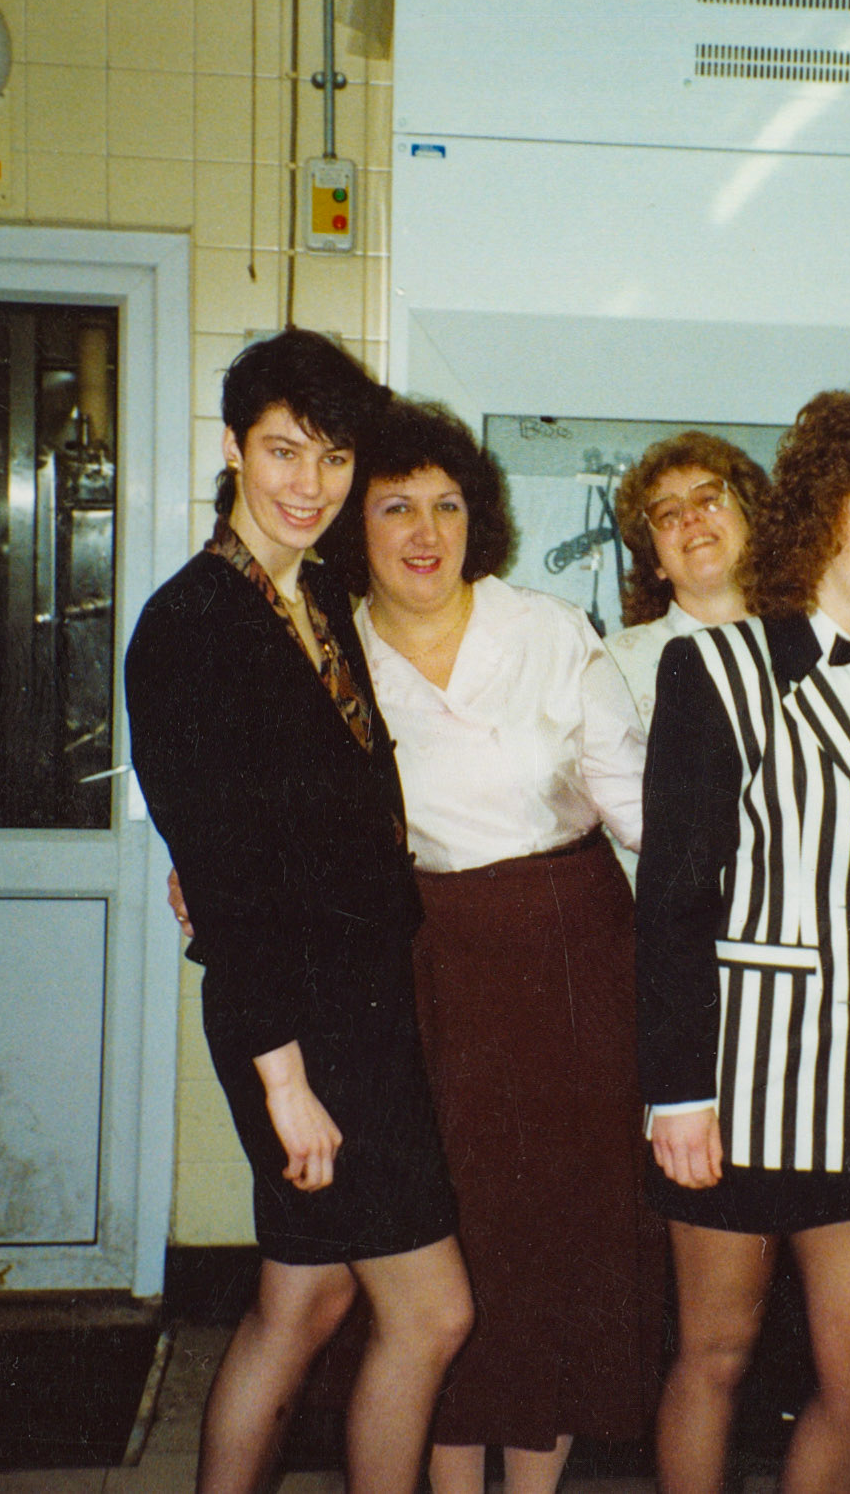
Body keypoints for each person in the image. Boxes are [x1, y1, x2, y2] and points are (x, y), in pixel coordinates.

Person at [124, 331, 473, 1494]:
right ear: (232, 448)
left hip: (354, 1003)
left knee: (307, 1298)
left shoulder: (314, 590)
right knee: (429, 1316)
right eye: (282, 451)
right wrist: (285, 1084)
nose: (308, 485)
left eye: (331, 458)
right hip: (301, 1026)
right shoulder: (192, 628)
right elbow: (225, 886)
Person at [318, 396, 661, 1494]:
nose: (425, 532)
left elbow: (635, 809)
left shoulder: (547, 630)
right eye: (396, 506)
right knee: (463, 1244)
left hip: (572, 961)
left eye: (448, 506)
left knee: (567, 1239)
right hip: (430, 973)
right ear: (354, 525)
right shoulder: (331, 657)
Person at [637, 382, 850, 1494]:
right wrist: (674, 1092)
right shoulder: (718, 670)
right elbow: (674, 901)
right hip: (738, 1082)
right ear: (823, 515)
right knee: (716, 1353)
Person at [605, 431, 768, 729]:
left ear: (753, 524)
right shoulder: (613, 665)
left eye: (708, 499)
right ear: (656, 562)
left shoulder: (807, 646)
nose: (690, 517)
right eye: (667, 514)